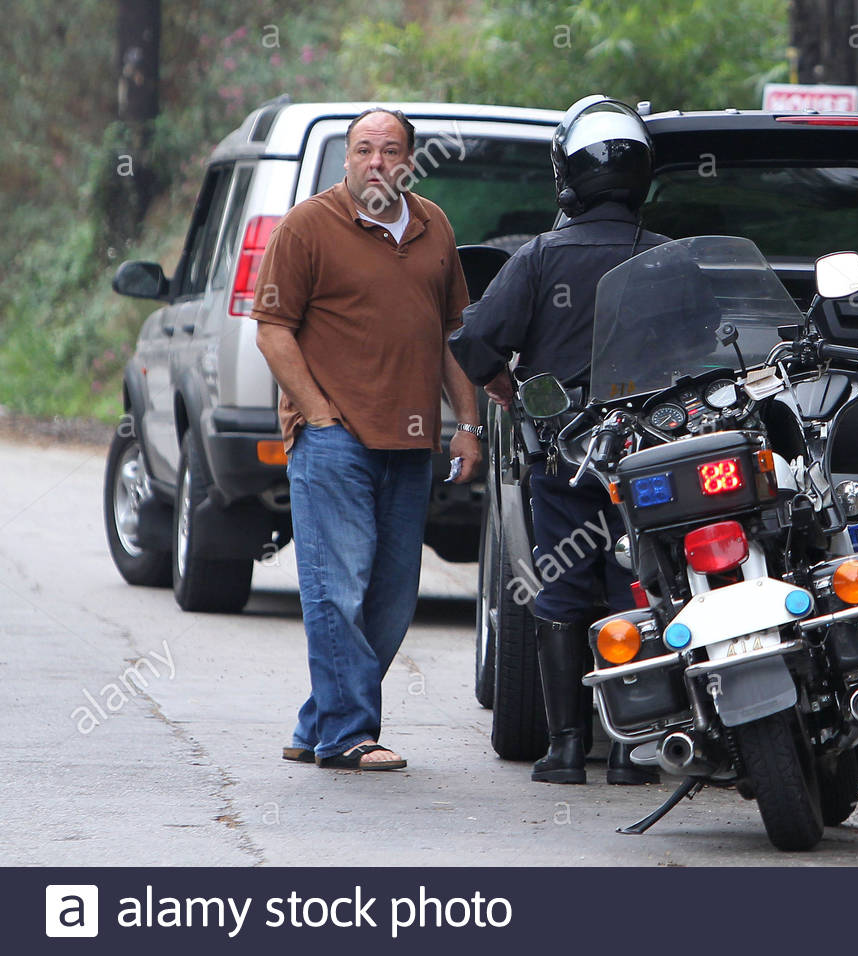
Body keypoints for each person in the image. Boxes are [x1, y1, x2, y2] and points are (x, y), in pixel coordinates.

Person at [252, 107, 483, 771]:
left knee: (390, 599)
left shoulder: (434, 225)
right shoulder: (308, 227)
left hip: (411, 442)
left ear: (410, 160)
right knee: (338, 588)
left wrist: (466, 426)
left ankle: (316, 720)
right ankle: (348, 735)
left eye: (389, 150)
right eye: (363, 150)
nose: (376, 162)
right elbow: (273, 328)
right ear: (346, 159)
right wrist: (318, 413)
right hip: (334, 441)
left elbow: (451, 335)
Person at [450, 95, 667, 785]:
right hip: (649, 462)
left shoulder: (541, 256)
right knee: (638, 589)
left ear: (567, 175)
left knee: (561, 592)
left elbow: (474, 338)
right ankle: (633, 750)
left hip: (564, 460)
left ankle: (567, 748)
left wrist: (501, 384)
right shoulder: (667, 259)